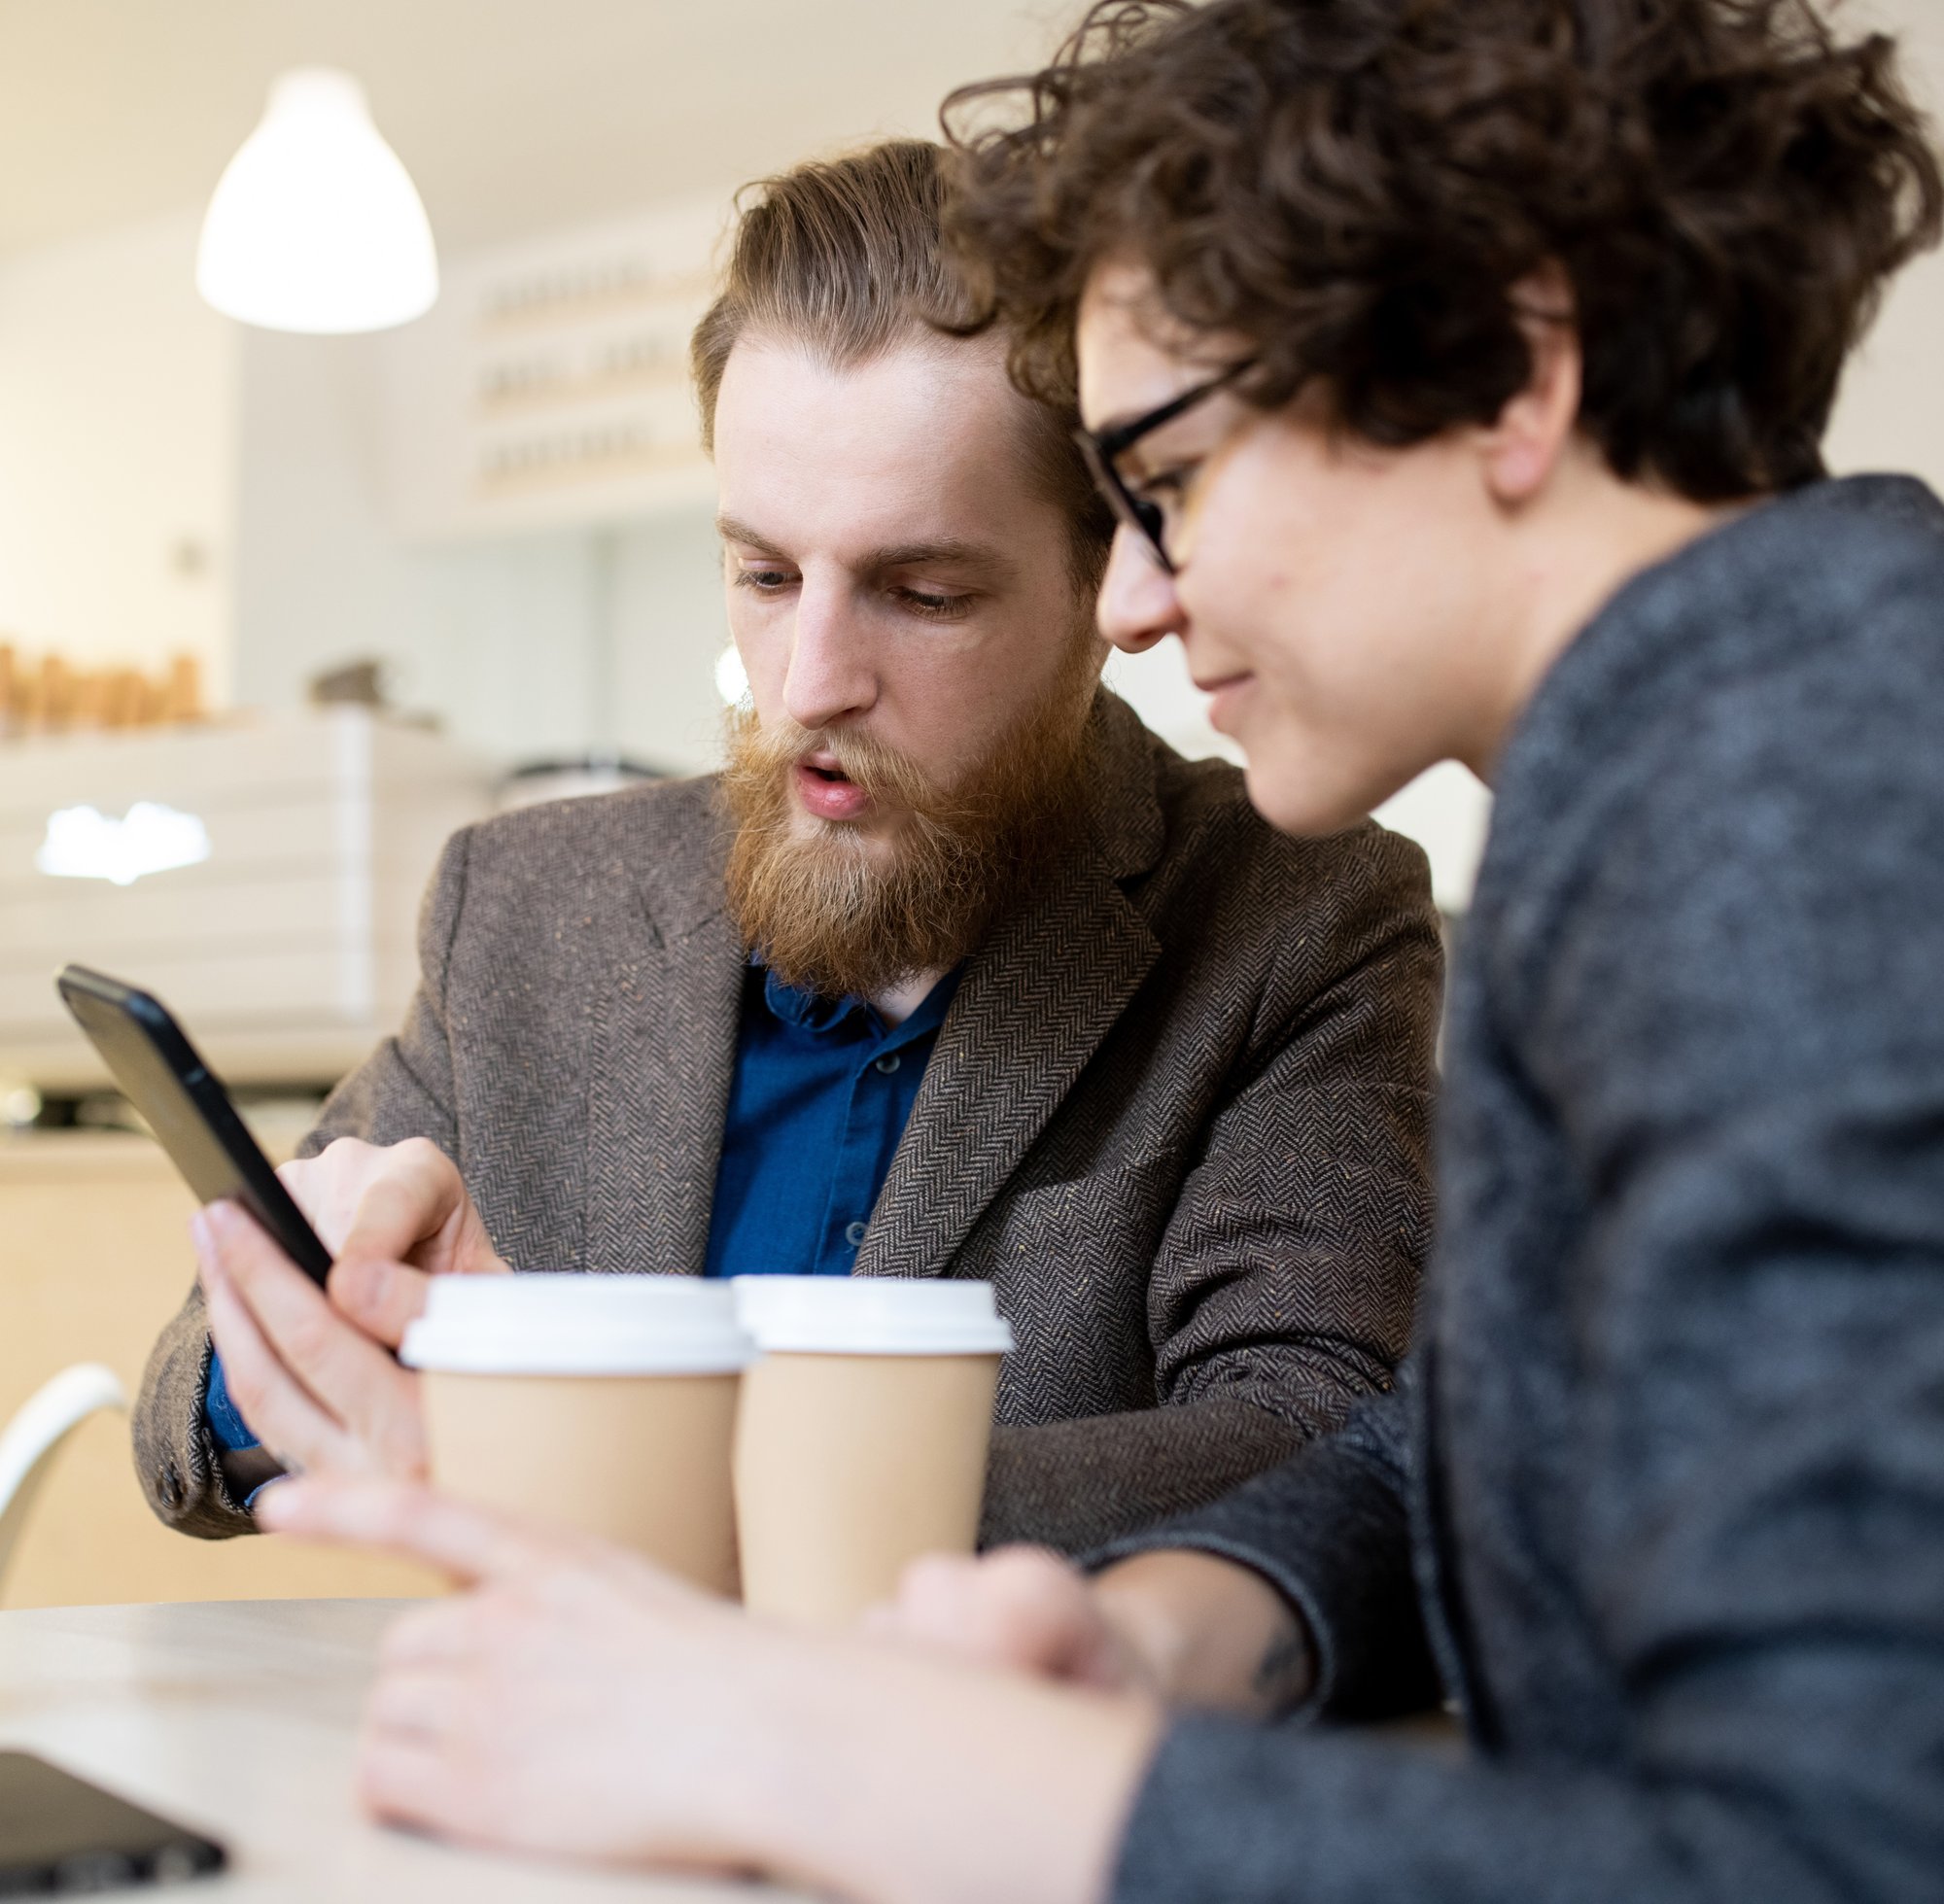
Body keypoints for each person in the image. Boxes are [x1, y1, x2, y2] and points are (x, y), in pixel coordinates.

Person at [260, 0, 1944, 1898]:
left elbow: (1844, 1854)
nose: (1135, 600)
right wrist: (1161, 1629)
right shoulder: (1718, 736)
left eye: (1175, 476)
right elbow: (1441, 1451)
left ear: (1510, 370)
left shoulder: (1809, 787)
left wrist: (842, 1755)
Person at [132, 137, 1441, 1556]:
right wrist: (299, 1326)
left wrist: (665, 1483)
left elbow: (1322, 1437)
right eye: (762, 575)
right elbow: (184, 1433)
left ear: (1103, 584)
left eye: (924, 591)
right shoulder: (522, 906)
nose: (807, 678)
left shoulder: (1296, 915)